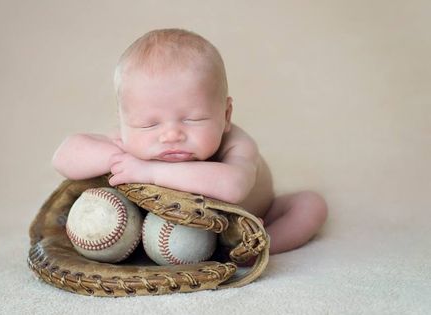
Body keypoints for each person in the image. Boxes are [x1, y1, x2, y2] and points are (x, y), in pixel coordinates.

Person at [52, 28, 327, 254]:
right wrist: (117, 160)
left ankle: (260, 245)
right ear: (124, 122)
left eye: (192, 119)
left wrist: (153, 172)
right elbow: (63, 157)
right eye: (150, 123)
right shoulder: (133, 142)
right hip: (173, 232)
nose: (171, 134)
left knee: (311, 204)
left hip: (252, 216)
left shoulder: (236, 144)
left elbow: (234, 186)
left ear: (225, 114)